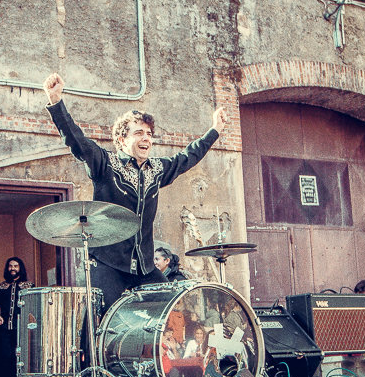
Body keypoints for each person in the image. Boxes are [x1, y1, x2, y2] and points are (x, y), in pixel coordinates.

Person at [43, 71, 229, 318]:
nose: (146, 138)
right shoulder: (105, 164)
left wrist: (215, 129)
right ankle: (90, 344)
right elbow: (77, 141)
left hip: (144, 267)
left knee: (171, 310)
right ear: (122, 140)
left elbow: (188, 156)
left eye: (149, 134)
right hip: (108, 263)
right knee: (105, 316)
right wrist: (56, 101)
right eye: (138, 133)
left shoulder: (157, 170)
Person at [0, 257, 34, 377]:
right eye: (10, 266)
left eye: (15, 266)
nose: (12, 268)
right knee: (5, 358)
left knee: (21, 358)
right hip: (5, 329)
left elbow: (33, 305)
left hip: (21, 328)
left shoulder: (29, 286)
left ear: (20, 268)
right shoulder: (1, 287)